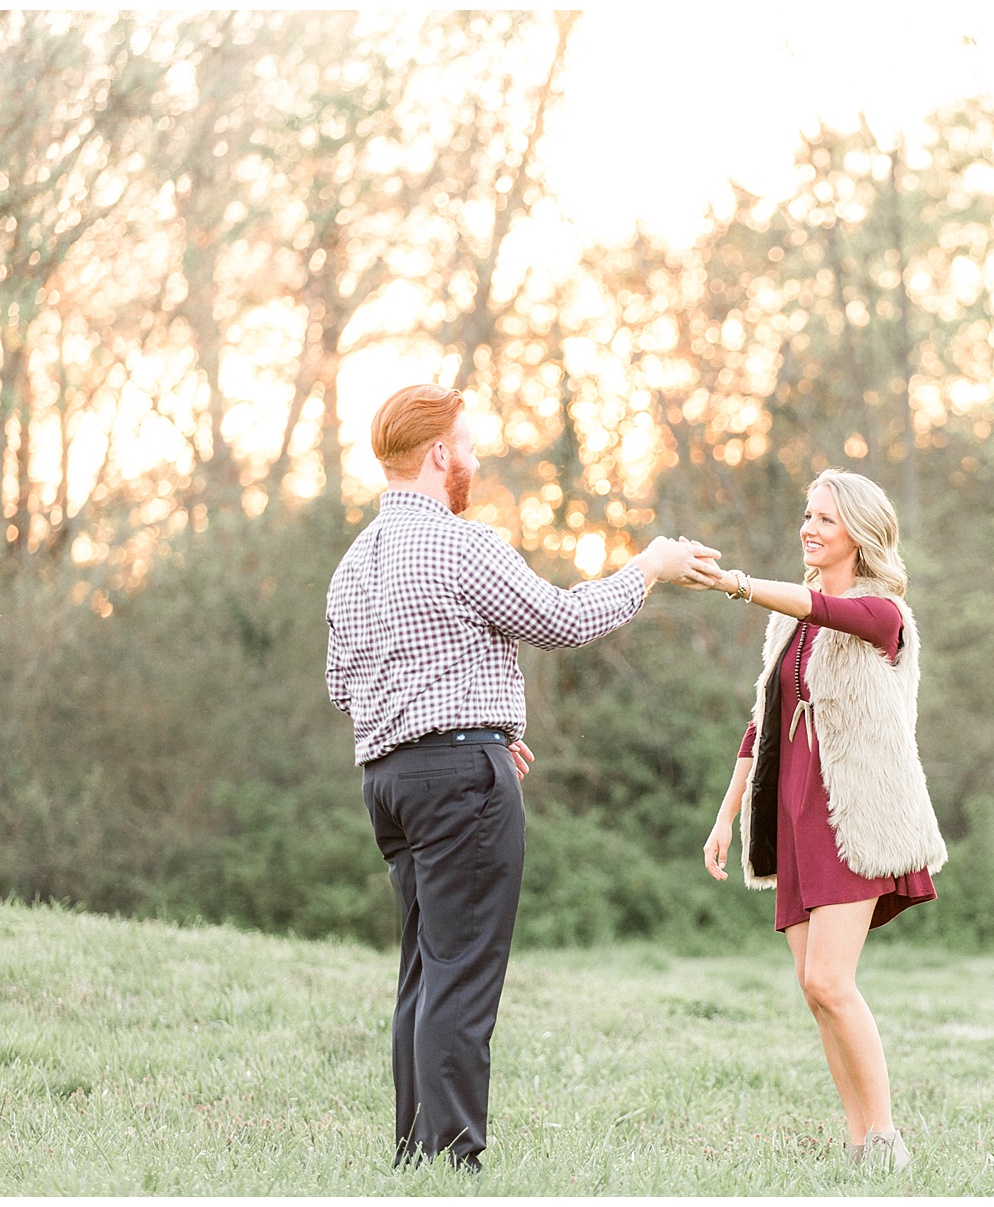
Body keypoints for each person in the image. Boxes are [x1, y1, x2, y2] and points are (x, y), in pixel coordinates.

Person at [324, 383, 719, 1172]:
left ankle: (415, 1158)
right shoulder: (459, 544)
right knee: (463, 975)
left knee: (423, 970)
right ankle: (454, 1161)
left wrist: (477, 722)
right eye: (467, 447)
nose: (472, 461)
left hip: (392, 780)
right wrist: (651, 566)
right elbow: (565, 621)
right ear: (438, 454)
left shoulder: (353, 562)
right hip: (458, 779)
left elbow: (343, 682)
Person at [699, 468, 947, 1173]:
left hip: (856, 813)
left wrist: (737, 583)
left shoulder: (884, 612)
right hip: (794, 810)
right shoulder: (789, 620)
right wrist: (727, 816)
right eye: (807, 515)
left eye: (824, 520)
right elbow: (761, 725)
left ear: (859, 535)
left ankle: (889, 1140)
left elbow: (829, 612)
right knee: (814, 988)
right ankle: (857, 1140)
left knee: (834, 980)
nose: (808, 528)